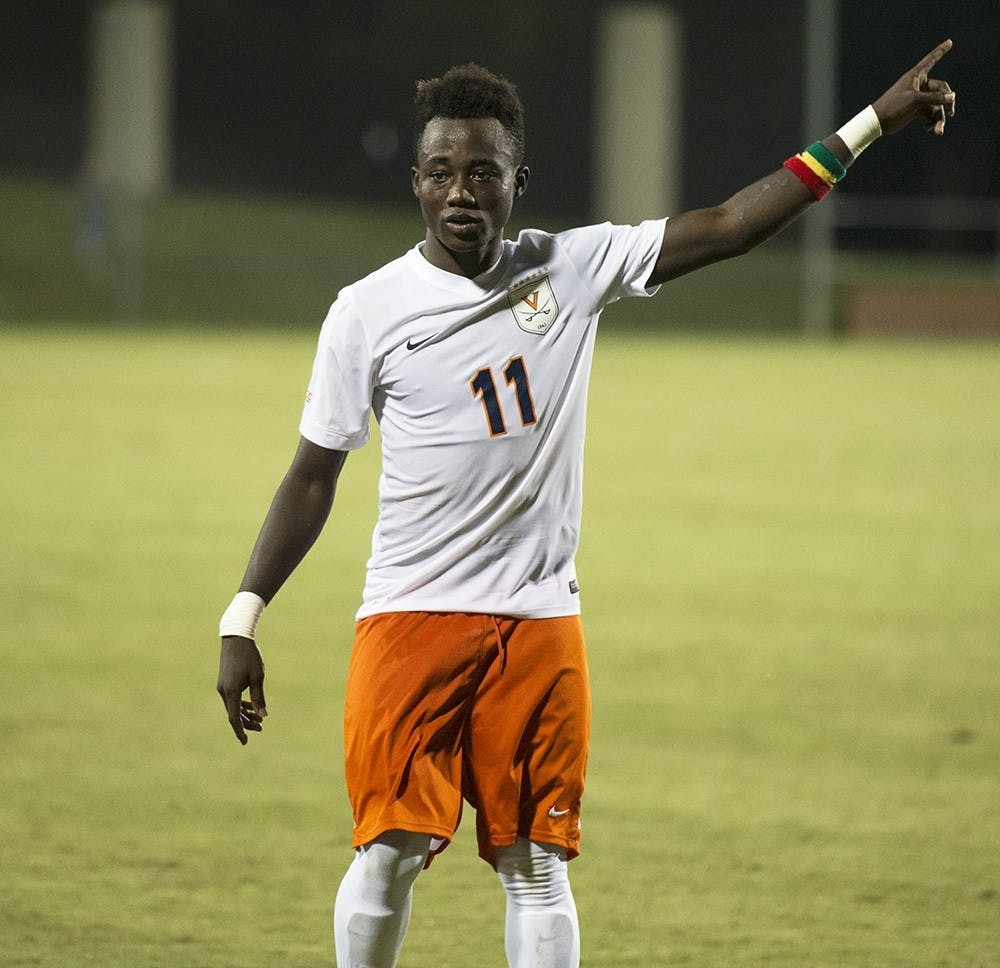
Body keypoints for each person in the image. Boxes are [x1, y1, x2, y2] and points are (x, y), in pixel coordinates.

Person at [216, 43, 956, 968]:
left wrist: (872, 122)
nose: (461, 191)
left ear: (518, 181)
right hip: (408, 618)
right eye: (441, 171)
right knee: (390, 851)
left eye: (483, 172)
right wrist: (243, 614)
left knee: (537, 863)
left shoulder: (574, 267)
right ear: (415, 182)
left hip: (538, 622)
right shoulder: (365, 312)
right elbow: (313, 474)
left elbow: (730, 223)